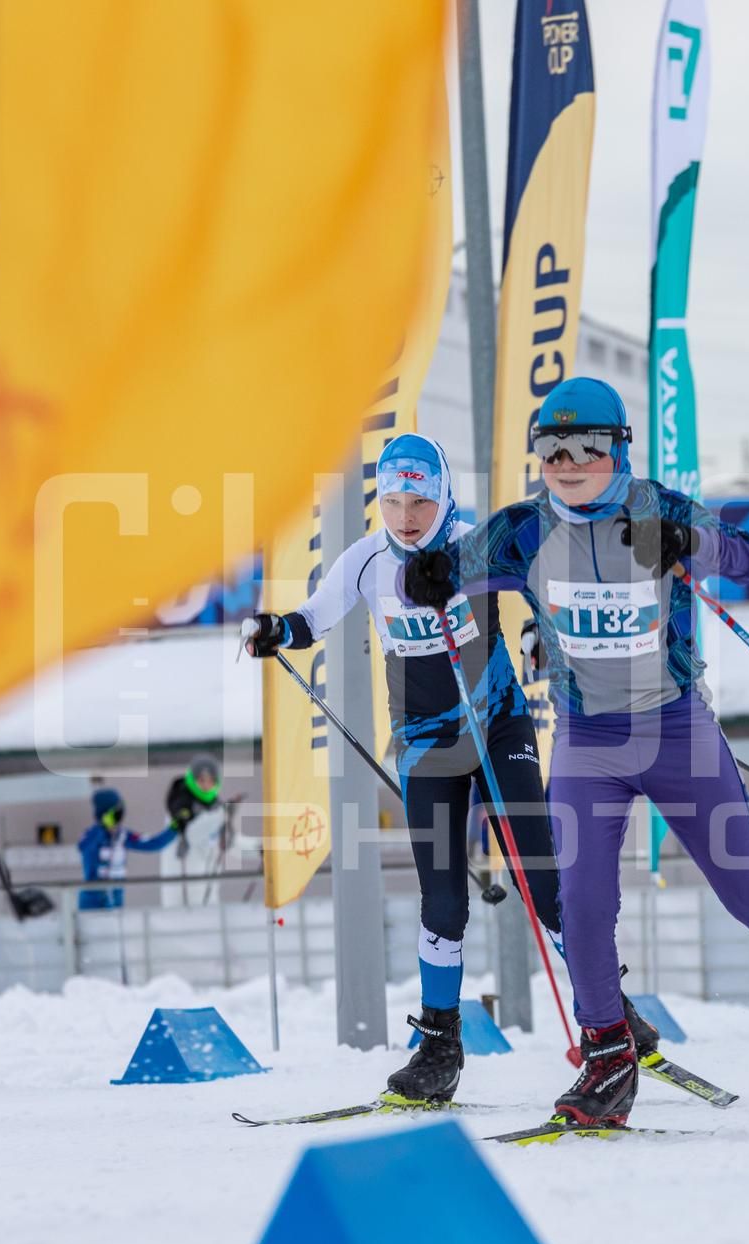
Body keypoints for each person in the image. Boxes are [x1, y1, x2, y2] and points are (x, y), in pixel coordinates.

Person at [406, 377, 749, 1126]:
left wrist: (695, 544)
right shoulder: (521, 531)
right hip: (588, 742)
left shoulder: (658, 511)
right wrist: (429, 573)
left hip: (676, 730)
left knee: (747, 887)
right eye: (552, 448)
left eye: (589, 446)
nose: (570, 460)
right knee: (581, 903)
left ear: (620, 449)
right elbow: (437, 568)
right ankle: (608, 1055)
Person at [244, 432, 656, 1105]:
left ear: (444, 498)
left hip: (497, 726)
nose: (407, 515)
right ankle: (439, 1048)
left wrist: (539, 636)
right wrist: (274, 630)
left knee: (540, 880)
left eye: (421, 500)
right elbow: (313, 619)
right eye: (396, 499)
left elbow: (548, 586)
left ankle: (609, 1012)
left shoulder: (476, 541)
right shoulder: (370, 559)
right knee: (442, 899)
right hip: (426, 743)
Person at [77, 788, 176, 910]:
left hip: (116, 902)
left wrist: (174, 828)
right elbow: (85, 848)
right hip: (92, 903)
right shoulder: (91, 835)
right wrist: (103, 828)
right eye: (114, 814)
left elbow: (152, 844)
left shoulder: (123, 836)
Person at [165, 754, 234, 905]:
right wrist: (222, 815)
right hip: (183, 893)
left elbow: (226, 842)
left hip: (209, 891)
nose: (206, 785)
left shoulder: (216, 808)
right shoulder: (180, 806)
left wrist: (258, 849)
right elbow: (192, 834)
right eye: (201, 780)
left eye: (211, 780)